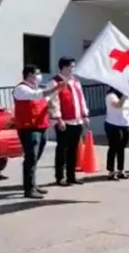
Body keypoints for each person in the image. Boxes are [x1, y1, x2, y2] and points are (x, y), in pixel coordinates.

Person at [13, 64, 69, 199]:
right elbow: (36, 95)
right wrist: (56, 87)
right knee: (31, 158)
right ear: (28, 75)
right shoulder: (21, 89)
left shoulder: (37, 88)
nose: (39, 76)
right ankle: (29, 189)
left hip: (41, 127)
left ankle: (33, 184)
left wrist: (57, 118)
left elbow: (48, 102)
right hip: (28, 129)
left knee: (35, 158)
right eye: (36, 74)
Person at [48, 57, 90, 186]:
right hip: (64, 122)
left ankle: (71, 176)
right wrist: (58, 119)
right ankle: (60, 177)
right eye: (71, 66)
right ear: (64, 67)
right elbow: (53, 101)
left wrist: (84, 115)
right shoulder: (55, 82)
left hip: (77, 121)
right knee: (62, 150)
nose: (73, 69)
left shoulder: (76, 81)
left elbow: (81, 99)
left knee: (73, 150)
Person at [104, 87, 129, 180]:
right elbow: (118, 105)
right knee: (114, 147)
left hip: (125, 124)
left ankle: (121, 170)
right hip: (113, 124)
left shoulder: (126, 97)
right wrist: (125, 95)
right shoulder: (111, 96)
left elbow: (128, 108)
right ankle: (111, 171)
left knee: (122, 148)